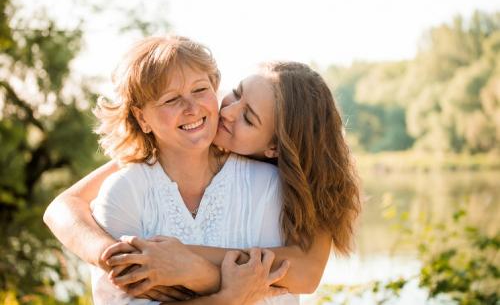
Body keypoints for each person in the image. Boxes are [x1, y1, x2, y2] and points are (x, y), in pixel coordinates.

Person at [44, 36, 361, 303]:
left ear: (274, 148)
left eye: (249, 118)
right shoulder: (138, 176)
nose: (227, 111)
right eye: (236, 93)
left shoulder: (287, 185)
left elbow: (304, 274)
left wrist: (186, 264)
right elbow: (62, 207)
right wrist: (118, 257)